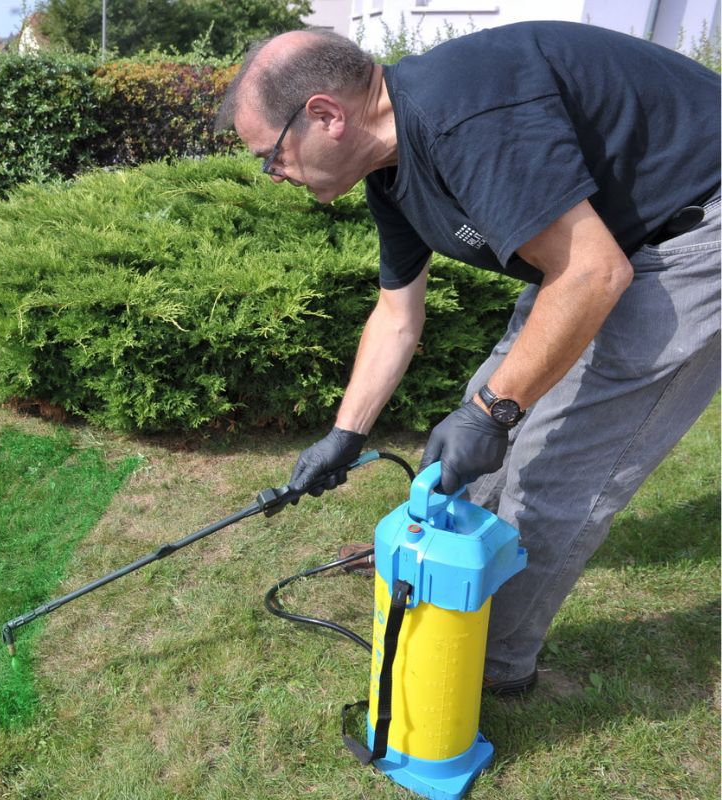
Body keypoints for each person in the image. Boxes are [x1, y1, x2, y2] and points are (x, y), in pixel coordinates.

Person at [216, 22, 720, 695]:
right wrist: (345, 434)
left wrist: (496, 410)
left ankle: (480, 663)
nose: (271, 174)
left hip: (695, 231)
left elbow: (592, 275)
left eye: (270, 154)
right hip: (605, 245)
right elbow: (398, 314)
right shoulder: (392, 172)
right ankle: (440, 568)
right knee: (477, 421)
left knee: (558, 466)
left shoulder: (463, 113)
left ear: (324, 115)